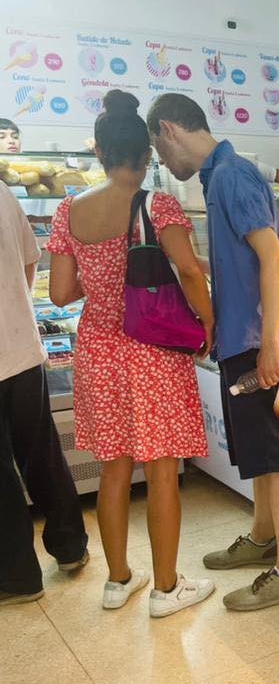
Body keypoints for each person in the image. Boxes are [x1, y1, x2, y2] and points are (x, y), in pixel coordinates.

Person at [47, 90, 215, 617]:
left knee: (113, 469)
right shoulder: (156, 204)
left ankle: (118, 580)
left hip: (97, 350)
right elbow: (189, 270)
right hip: (153, 351)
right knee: (163, 470)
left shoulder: (69, 209)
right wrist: (209, 322)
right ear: (147, 155)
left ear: (99, 151)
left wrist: (100, 284)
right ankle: (167, 588)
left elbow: (58, 293)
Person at [146, 93, 279, 612]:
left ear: (169, 129)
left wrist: (270, 346)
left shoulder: (233, 177)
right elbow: (244, 262)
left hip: (258, 340)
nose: (160, 159)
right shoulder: (217, 179)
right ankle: (263, 538)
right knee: (260, 454)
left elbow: (275, 259)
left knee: (276, 454)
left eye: (157, 145)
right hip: (243, 337)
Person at [0, 184, 88, 605]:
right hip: (22, 349)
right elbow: (32, 261)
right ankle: (71, 547)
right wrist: (15, 311)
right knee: (42, 452)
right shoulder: (1, 190)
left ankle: (18, 578)